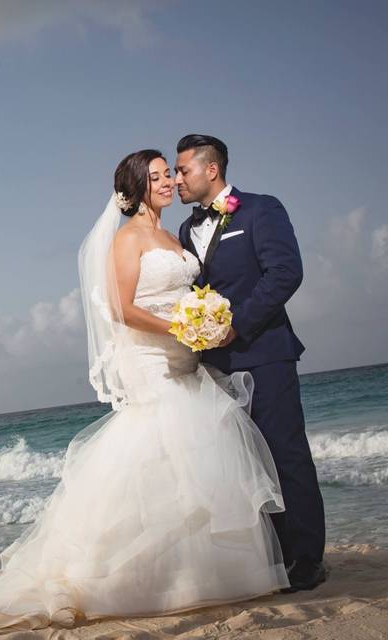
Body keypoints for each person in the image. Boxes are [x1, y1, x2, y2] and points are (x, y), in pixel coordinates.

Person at [0, 149, 290, 631]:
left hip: (186, 358)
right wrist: (180, 329)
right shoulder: (127, 239)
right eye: (159, 176)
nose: (168, 182)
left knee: (193, 464)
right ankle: (85, 575)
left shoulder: (174, 234)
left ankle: (184, 577)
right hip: (151, 358)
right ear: (137, 186)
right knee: (157, 451)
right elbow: (123, 310)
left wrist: (198, 326)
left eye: (171, 174)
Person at [174, 134, 326, 592]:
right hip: (213, 367)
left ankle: (306, 559)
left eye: (183, 170)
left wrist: (237, 325)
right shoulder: (184, 231)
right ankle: (271, 556)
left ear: (211, 169)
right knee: (245, 465)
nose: (177, 179)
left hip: (265, 354)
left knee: (286, 455)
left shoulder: (261, 210)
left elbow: (286, 272)